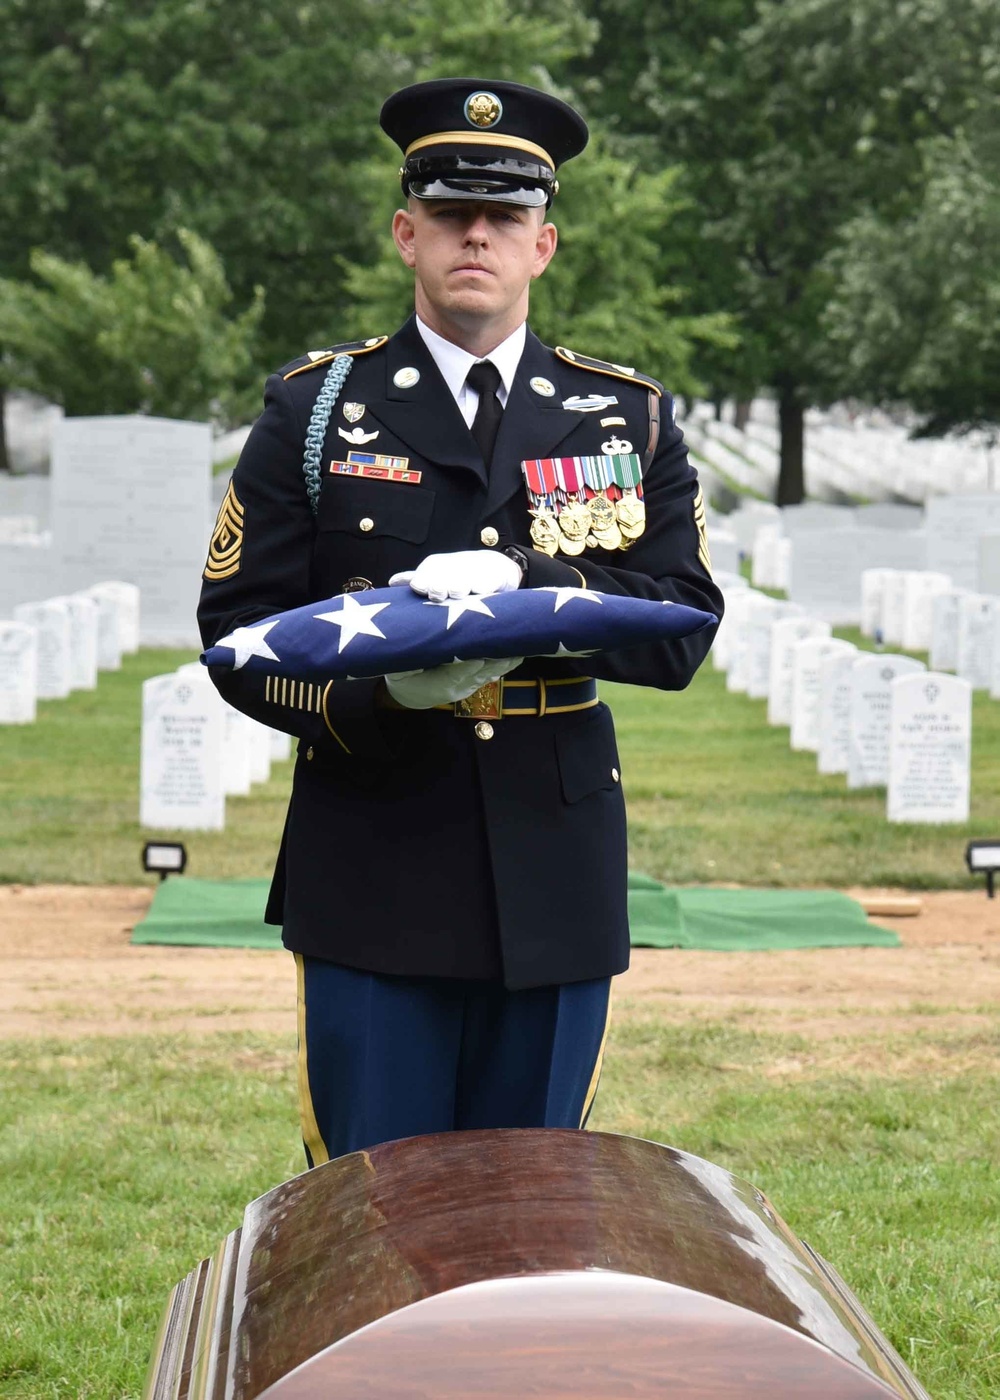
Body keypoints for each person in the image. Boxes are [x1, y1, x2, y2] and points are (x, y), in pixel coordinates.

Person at [198, 77, 724, 1167]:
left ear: (545, 244)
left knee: (532, 1211)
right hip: (374, 855)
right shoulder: (315, 412)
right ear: (406, 235)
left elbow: (678, 628)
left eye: (505, 214)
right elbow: (239, 631)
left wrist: (525, 586)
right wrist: (379, 693)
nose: (474, 232)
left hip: (554, 863)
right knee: (372, 1203)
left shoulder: (623, 416)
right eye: (448, 211)